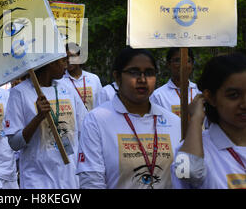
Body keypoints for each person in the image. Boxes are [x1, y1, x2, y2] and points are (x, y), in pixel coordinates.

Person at [76, 47, 181, 189]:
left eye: (149, 73)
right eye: (134, 72)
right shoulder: (97, 120)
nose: (142, 79)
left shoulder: (173, 122)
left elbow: (185, 178)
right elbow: (92, 182)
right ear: (117, 77)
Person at [172, 53, 246, 189]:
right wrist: (195, 120)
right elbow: (187, 173)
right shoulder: (192, 149)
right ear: (210, 98)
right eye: (234, 95)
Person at [4, 57, 88, 189]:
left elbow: (85, 129)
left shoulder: (68, 89)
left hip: (70, 179)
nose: (66, 65)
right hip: (37, 180)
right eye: (63, 61)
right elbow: (14, 143)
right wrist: (38, 118)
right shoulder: (19, 93)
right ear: (50, 63)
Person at [150, 48, 200, 117]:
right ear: (168, 64)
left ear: (192, 64)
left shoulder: (199, 91)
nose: (182, 64)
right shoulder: (158, 96)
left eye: (187, 61)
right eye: (177, 60)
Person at [60, 43, 102, 110]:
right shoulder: (60, 81)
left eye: (72, 56)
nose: (69, 60)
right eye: (66, 58)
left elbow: (101, 103)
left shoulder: (93, 79)